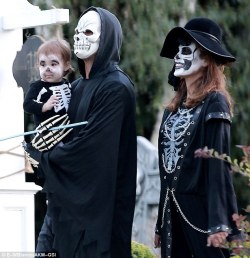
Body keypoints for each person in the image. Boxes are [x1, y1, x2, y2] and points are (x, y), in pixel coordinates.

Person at [24, 6, 137, 258]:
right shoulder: (74, 87)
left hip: (95, 218)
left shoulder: (116, 87)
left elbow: (90, 150)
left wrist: (40, 157)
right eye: (77, 30)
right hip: (62, 208)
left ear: (106, 37)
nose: (79, 36)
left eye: (88, 31)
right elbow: (52, 130)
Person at [154, 17, 242, 258]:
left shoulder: (215, 102)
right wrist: (161, 221)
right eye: (176, 52)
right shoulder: (171, 109)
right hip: (173, 216)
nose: (177, 57)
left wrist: (219, 223)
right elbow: (165, 171)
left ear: (205, 58)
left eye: (185, 50)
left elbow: (218, 166)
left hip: (202, 215)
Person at [23, 39, 73, 127]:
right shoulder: (37, 87)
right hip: (46, 135)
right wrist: (44, 106)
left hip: (68, 131)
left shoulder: (67, 84)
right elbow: (27, 105)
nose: (47, 68)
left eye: (53, 64)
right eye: (43, 64)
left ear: (66, 66)